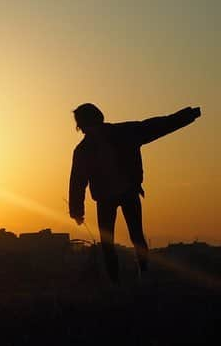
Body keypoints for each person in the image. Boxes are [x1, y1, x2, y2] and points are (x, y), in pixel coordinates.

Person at [68, 104, 201, 283]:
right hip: (117, 195)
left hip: (119, 194)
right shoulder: (113, 137)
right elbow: (77, 182)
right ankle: (131, 279)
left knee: (125, 240)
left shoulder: (95, 145)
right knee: (128, 239)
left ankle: (131, 279)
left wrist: (186, 116)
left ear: (83, 125)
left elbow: (155, 126)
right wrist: (77, 210)